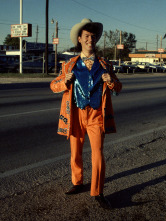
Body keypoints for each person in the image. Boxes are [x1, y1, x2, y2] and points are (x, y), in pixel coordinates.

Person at [50, 18, 122, 209]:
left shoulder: (105, 64)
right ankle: (77, 182)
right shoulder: (69, 65)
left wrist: (111, 81)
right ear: (80, 39)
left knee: (97, 153)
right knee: (75, 152)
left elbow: (119, 87)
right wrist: (65, 81)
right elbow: (53, 86)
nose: (91, 39)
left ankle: (98, 191)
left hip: (97, 115)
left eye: (93, 36)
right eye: (87, 36)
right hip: (76, 114)